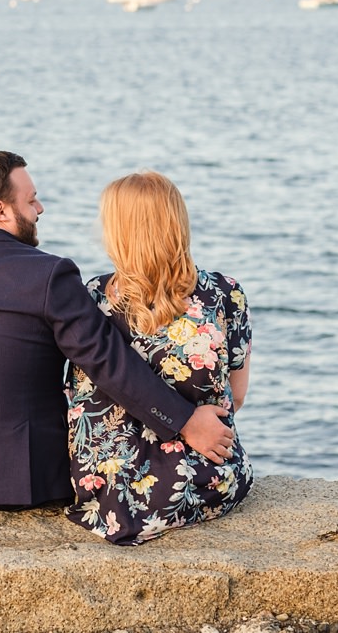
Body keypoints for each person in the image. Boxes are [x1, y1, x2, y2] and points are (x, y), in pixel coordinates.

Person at [0, 151, 235, 510]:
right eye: (31, 200)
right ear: (0, 210)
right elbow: (108, 363)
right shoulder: (49, 276)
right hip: (20, 480)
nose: (41, 209)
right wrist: (185, 421)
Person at [65, 171, 252, 544]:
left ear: (119, 231)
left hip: (107, 487)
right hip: (202, 475)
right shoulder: (223, 294)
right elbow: (238, 395)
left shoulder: (92, 298)